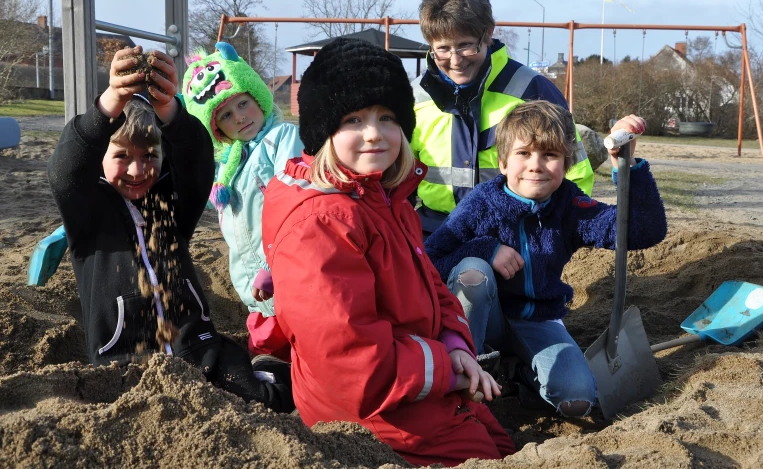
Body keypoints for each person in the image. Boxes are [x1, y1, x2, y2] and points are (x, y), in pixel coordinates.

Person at [261, 38, 516, 467]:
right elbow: (348, 359)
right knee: (483, 453)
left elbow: (430, 283)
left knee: (500, 447)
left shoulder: (382, 198)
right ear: (323, 132)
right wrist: (445, 367)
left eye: (387, 118)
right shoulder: (322, 224)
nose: (374, 133)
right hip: (370, 416)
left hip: (410, 381)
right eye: (354, 120)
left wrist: (454, 341)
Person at [48, 46, 293, 412]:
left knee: (276, 398)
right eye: (121, 156)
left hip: (201, 354)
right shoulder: (89, 218)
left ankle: (270, 366)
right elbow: (66, 167)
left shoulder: (170, 208)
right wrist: (113, 98)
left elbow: (195, 157)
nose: (137, 169)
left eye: (149, 155)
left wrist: (168, 109)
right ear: (100, 160)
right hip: (125, 367)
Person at [425, 101, 667, 417]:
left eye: (550, 155)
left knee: (578, 401)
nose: (536, 165)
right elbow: (429, 262)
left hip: (538, 320)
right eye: (523, 154)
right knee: (474, 273)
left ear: (565, 165)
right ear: (502, 163)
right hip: (481, 320)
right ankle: (464, 376)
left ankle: (516, 373)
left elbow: (642, 231)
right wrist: (486, 249)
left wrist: (628, 165)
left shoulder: (569, 206)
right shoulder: (481, 204)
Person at [412, 0, 594, 237]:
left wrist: (548, 240)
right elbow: (395, 178)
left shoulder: (533, 92)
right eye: (442, 49)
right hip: (434, 232)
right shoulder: (416, 98)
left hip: (515, 233)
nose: (455, 60)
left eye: (465, 45)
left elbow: (574, 174)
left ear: (488, 33)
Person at [183, 42, 303, 362]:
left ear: (257, 97)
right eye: (225, 114)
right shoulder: (227, 168)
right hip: (257, 295)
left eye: (243, 104)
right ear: (216, 128)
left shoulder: (281, 139)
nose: (239, 117)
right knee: (266, 359)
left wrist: (272, 265)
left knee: (307, 352)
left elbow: (297, 207)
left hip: (291, 281)